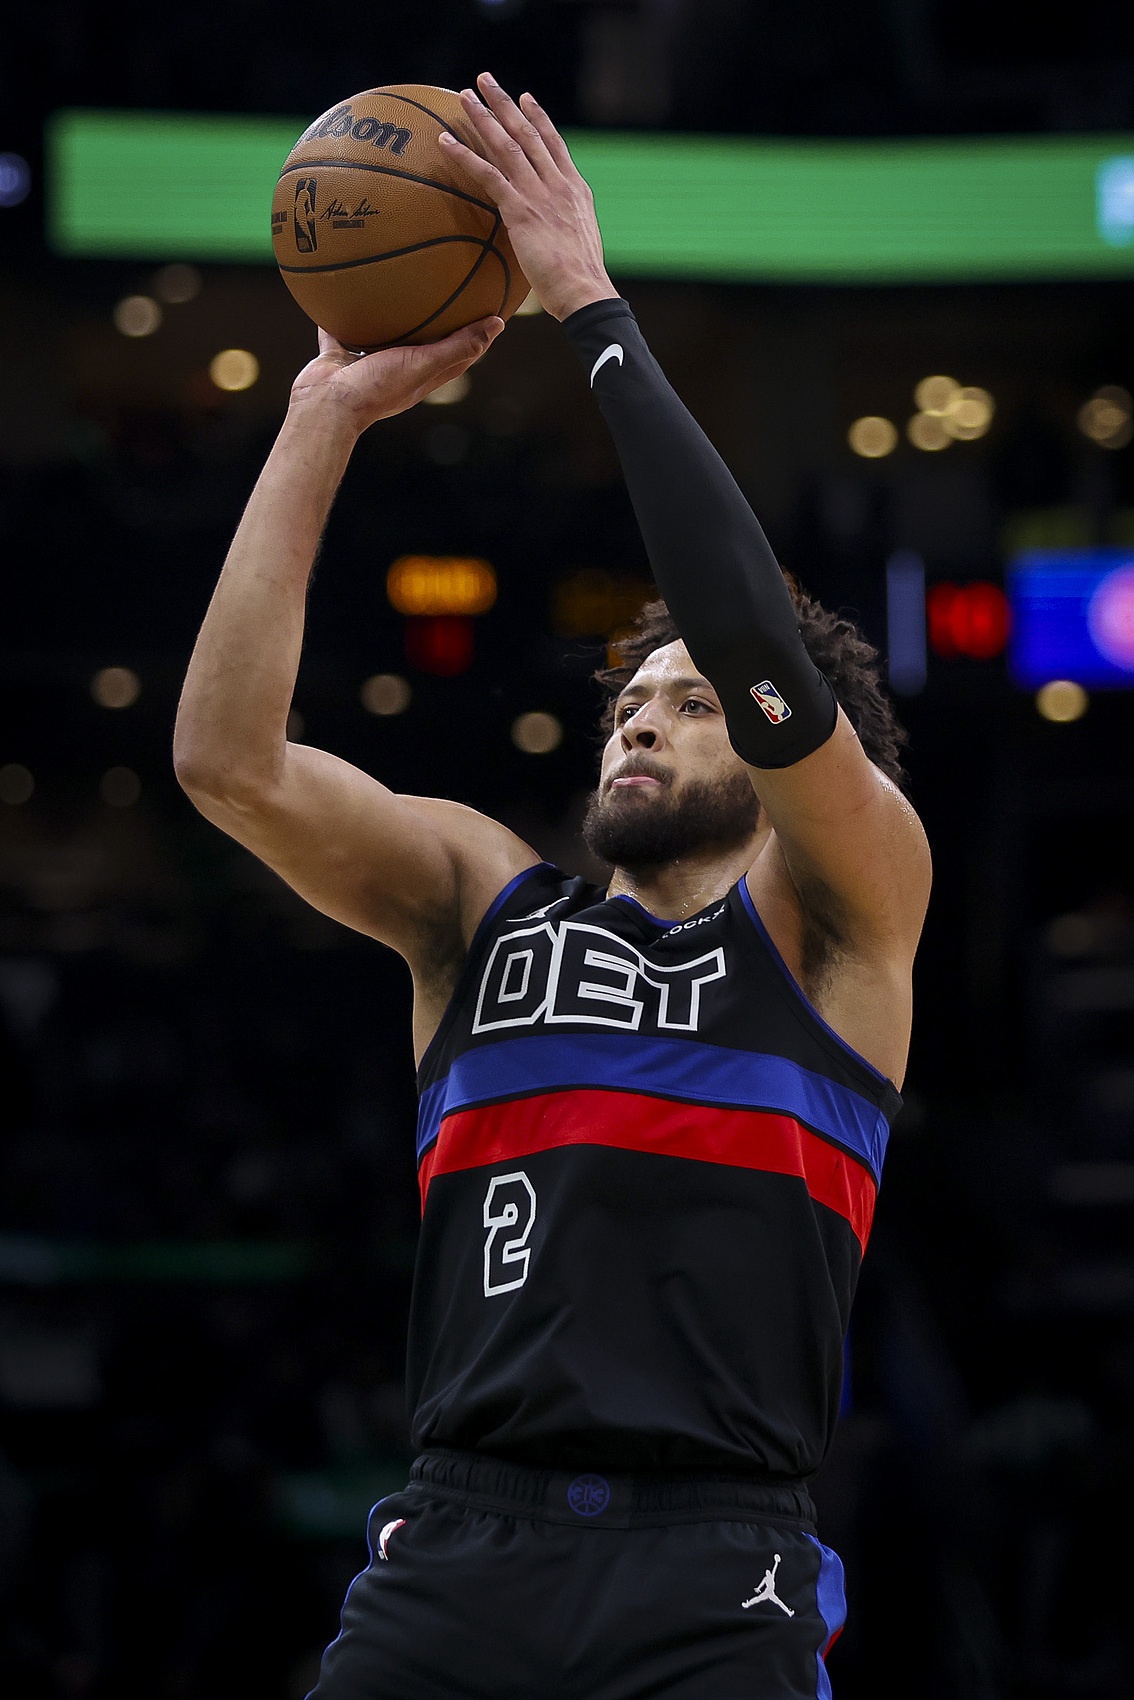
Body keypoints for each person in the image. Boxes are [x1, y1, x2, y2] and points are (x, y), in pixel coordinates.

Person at [174, 73, 930, 1700]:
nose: (639, 718)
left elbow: (753, 637)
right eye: (626, 702)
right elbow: (227, 763)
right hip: (458, 1540)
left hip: (716, 1564)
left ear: (793, 750)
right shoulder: (483, 902)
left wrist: (586, 302)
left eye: (691, 702)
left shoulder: (843, 916)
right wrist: (322, 418)